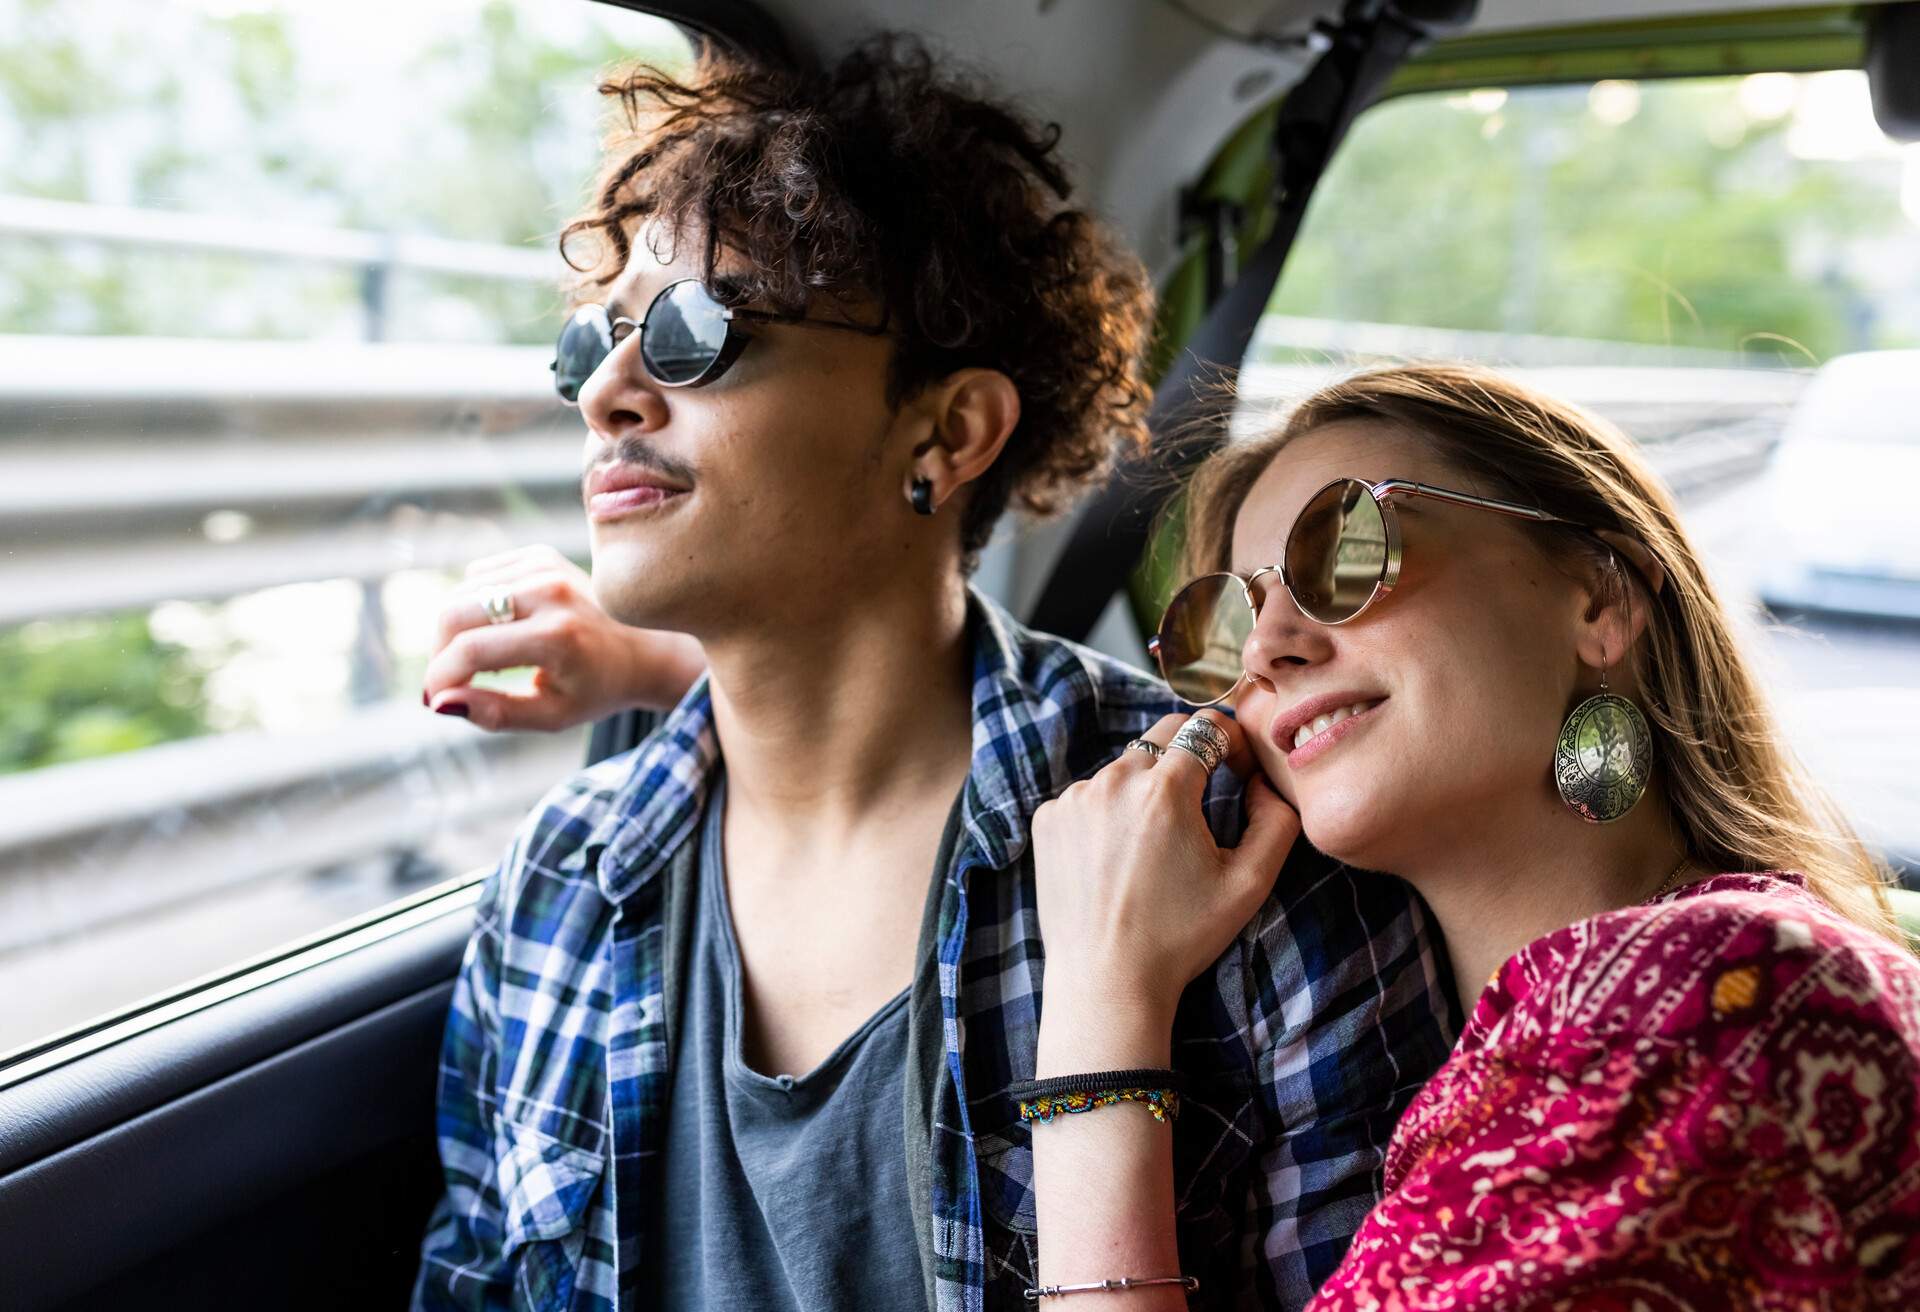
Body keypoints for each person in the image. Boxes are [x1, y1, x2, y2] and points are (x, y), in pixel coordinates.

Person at [411, 36, 1456, 1312]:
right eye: (591, 346)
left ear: (948, 430)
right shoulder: (558, 886)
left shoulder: (1225, 846)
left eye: (693, 333)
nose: (609, 394)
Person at [1024, 361, 1920, 1308]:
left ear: (1600, 600)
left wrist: (1100, 995)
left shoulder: (1726, 985)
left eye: (1345, 550)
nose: (1264, 649)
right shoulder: (1471, 1072)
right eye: (1227, 620)